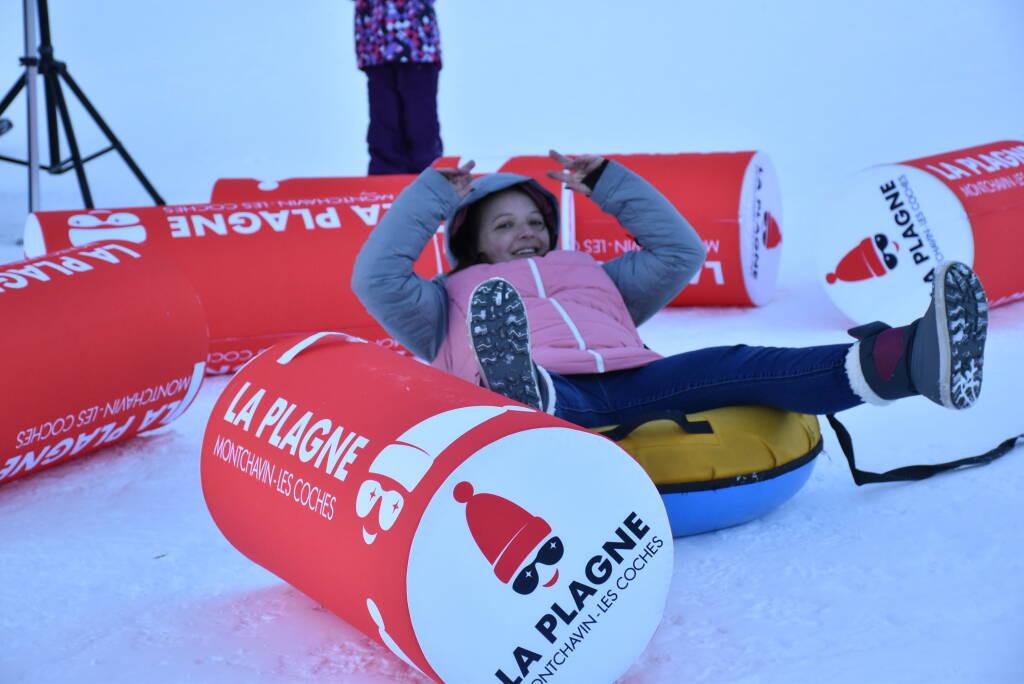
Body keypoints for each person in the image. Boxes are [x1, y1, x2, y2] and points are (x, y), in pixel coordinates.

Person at [352, 151, 988, 431]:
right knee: (537, 384)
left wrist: (606, 181)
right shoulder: (441, 302)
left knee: (738, 362)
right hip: (541, 400)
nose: (527, 233)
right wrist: (435, 194)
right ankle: (525, 393)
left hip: (636, 385)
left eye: (536, 221)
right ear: (472, 241)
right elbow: (373, 278)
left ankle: (911, 359)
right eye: (505, 224)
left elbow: (680, 251)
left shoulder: (591, 274)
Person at [353, 0, 443, 175]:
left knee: (421, 124)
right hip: (376, 48)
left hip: (417, 47)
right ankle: (384, 181)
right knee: (383, 124)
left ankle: (428, 178)